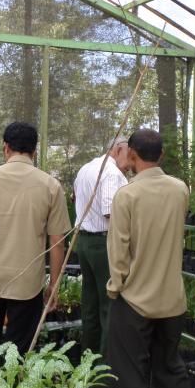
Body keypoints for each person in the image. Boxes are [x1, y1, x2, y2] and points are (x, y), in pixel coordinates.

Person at [105, 128, 195, 388]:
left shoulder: (127, 195)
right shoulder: (180, 189)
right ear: (161, 155)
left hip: (134, 301)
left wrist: (116, 287)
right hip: (172, 301)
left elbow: (118, 252)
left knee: (130, 376)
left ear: (132, 155)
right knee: (170, 371)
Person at [0, 122, 71, 352]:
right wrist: (54, 285)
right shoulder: (51, 186)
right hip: (28, 283)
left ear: (6, 147)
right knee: (19, 352)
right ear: (34, 151)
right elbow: (57, 241)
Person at [72, 136, 129, 356]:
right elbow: (110, 212)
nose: (131, 162)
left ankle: (88, 358)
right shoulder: (112, 173)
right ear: (118, 149)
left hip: (84, 242)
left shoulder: (86, 168)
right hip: (103, 243)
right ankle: (106, 364)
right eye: (130, 154)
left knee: (90, 303)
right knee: (109, 304)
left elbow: (75, 197)